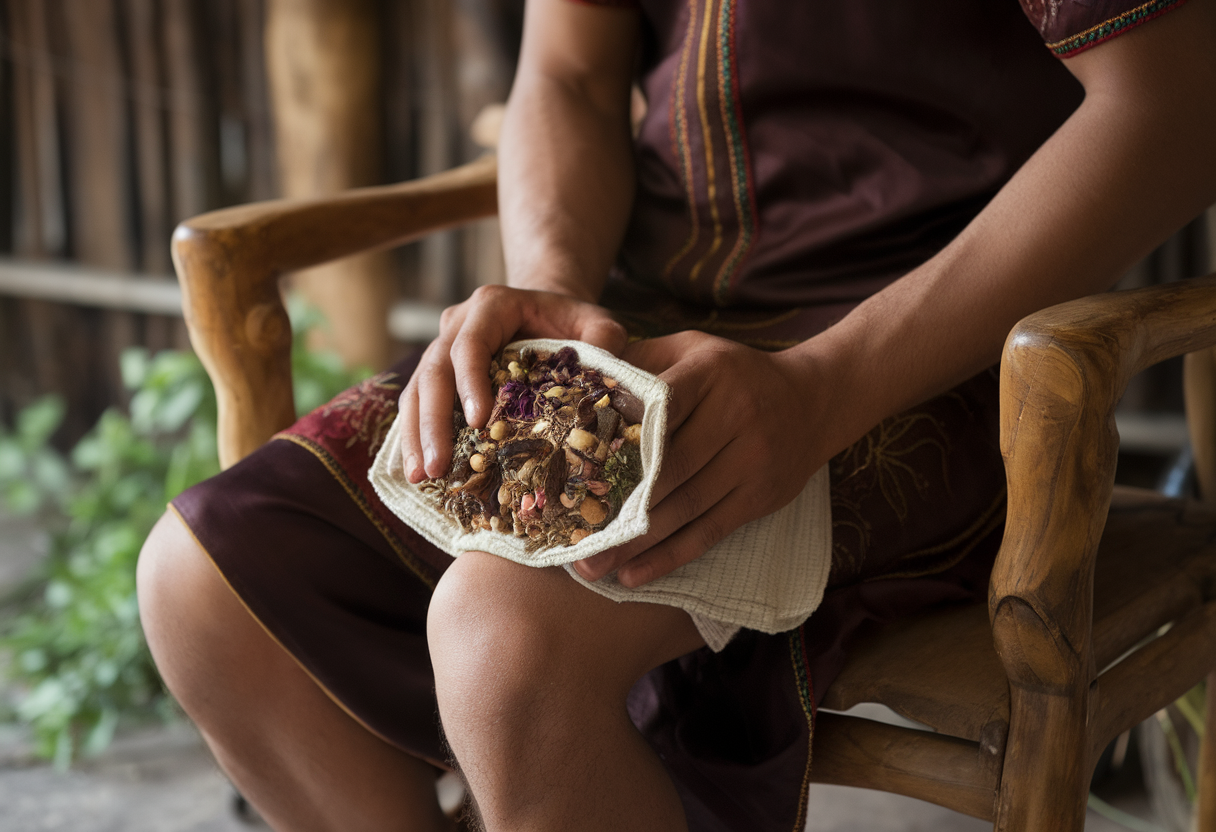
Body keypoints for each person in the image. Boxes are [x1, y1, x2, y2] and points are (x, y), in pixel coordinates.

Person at [137, 0, 1216, 830]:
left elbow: (1174, 106)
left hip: (924, 352)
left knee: (504, 634)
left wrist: (824, 388)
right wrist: (555, 299)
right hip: (636, 325)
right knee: (200, 583)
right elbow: (564, 72)